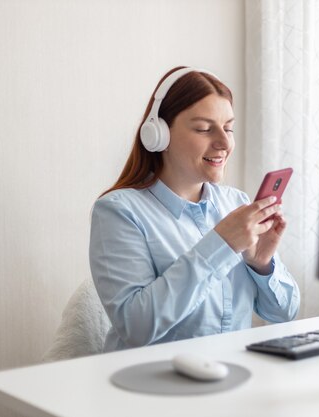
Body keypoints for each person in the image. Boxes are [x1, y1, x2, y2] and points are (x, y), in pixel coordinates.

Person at [89, 66, 300, 352]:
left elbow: (285, 312)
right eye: (204, 129)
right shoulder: (118, 212)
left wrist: (261, 264)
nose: (224, 143)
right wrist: (221, 244)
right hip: (154, 388)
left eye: (228, 128)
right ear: (158, 135)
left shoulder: (236, 204)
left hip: (230, 379)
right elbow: (136, 327)